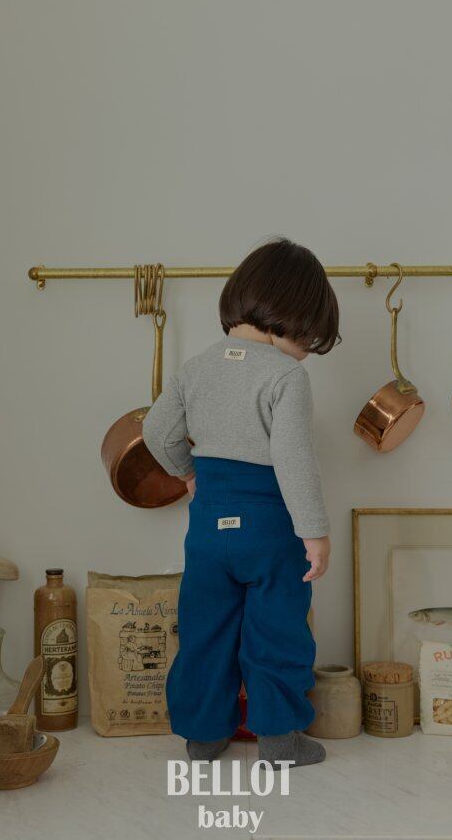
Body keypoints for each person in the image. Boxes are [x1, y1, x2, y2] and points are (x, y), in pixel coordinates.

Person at [143, 237, 340, 768]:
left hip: (208, 526)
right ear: (294, 316)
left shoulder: (195, 368)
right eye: (309, 338)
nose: (307, 352)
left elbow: (156, 430)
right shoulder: (285, 375)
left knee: (205, 628)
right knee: (277, 629)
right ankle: (279, 741)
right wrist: (314, 532)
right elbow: (294, 458)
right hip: (269, 525)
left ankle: (203, 737)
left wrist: (188, 474)